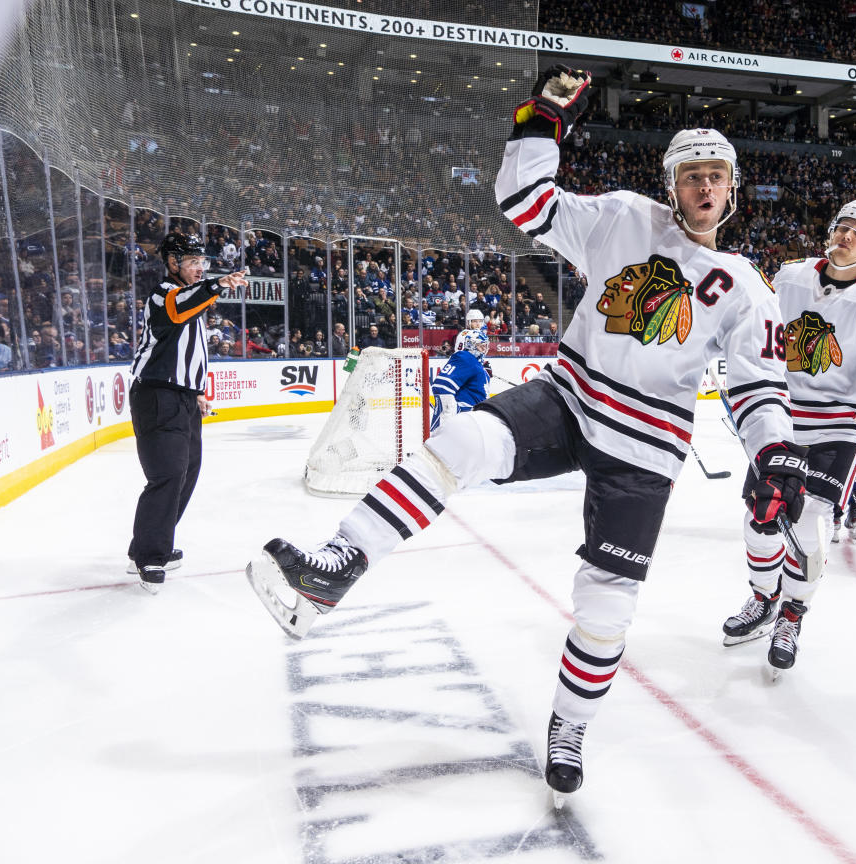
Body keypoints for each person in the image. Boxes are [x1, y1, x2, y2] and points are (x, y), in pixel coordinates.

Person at [244, 67, 803, 806]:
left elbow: (756, 388)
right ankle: (336, 566)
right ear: (673, 185)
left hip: (646, 445)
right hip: (570, 395)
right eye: (692, 174)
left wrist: (775, 453)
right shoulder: (623, 218)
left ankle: (569, 726)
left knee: (606, 608)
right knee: (462, 445)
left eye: (716, 176)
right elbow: (526, 200)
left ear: (731, 189)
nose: (705, 187)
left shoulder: (746, 287)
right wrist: (540, 123)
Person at [722, 198, 856, 675]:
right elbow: (753, 330)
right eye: (843, 227)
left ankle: (791, 615)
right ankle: (764, 600)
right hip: (780, 421)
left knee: (808, 528)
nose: (848, 236)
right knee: (759, 520)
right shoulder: (787, 277)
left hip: (836, 431)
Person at [127, 233, 248, 592]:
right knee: (167, 474)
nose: (199, 267)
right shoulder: (163, 296)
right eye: (192, 261)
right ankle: (150, 555)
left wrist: (196, 392)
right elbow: (178, 308)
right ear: (172, 263)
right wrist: (218, 283)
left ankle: (148, 541)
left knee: (186, 473)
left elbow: (188, 351)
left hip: (183, 399)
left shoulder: (193, 299)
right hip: (156, 396)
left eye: (202, 262)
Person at [429, 328, 491, 432]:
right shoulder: (465, 357)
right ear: (468, 345)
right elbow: (441, 386)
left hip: (475, 421)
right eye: (480, 346)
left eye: (484, 346)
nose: (484, 350)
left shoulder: (474, 363)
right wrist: (451, 414)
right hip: (466, 423)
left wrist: (483, 371)